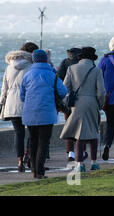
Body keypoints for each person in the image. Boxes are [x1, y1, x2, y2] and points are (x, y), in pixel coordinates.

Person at [20, 50, 67, 179]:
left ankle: (34, 170)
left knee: (33, 141)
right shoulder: (52, 74)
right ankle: (40, 171)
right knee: (43, 142)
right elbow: (63, 92)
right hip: (47, 114)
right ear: (46, 59)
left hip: (30, 113)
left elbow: (22, 96)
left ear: (34, 60)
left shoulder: (28, 75)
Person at [60, 47, 105, 172]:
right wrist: (100, 104)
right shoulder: (96, 71)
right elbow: (101, 91)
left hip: (77, 104)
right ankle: (94, 162)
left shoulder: (71, 69)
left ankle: (80, 164)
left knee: (79, 134)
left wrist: (67, 103)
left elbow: (64, 89)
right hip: (92, 103)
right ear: (92, 58)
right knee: (93, 132)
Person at [0, 42, 39, 172]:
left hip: (11, 104)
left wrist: (2, 104)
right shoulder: (32, 66)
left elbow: (4, 88)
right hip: (28, 102)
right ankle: (29, 156)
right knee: (33, 132)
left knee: (19, 133)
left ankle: (19, 161)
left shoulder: (9, 67)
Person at [56, 47, 83, 162]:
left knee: (69, 125)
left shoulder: (65, 63)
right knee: (81, 126)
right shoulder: (83, 64)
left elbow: (59, 81)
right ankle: (81, 151)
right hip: (82, 100)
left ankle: (70, 153)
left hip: (68, 100)